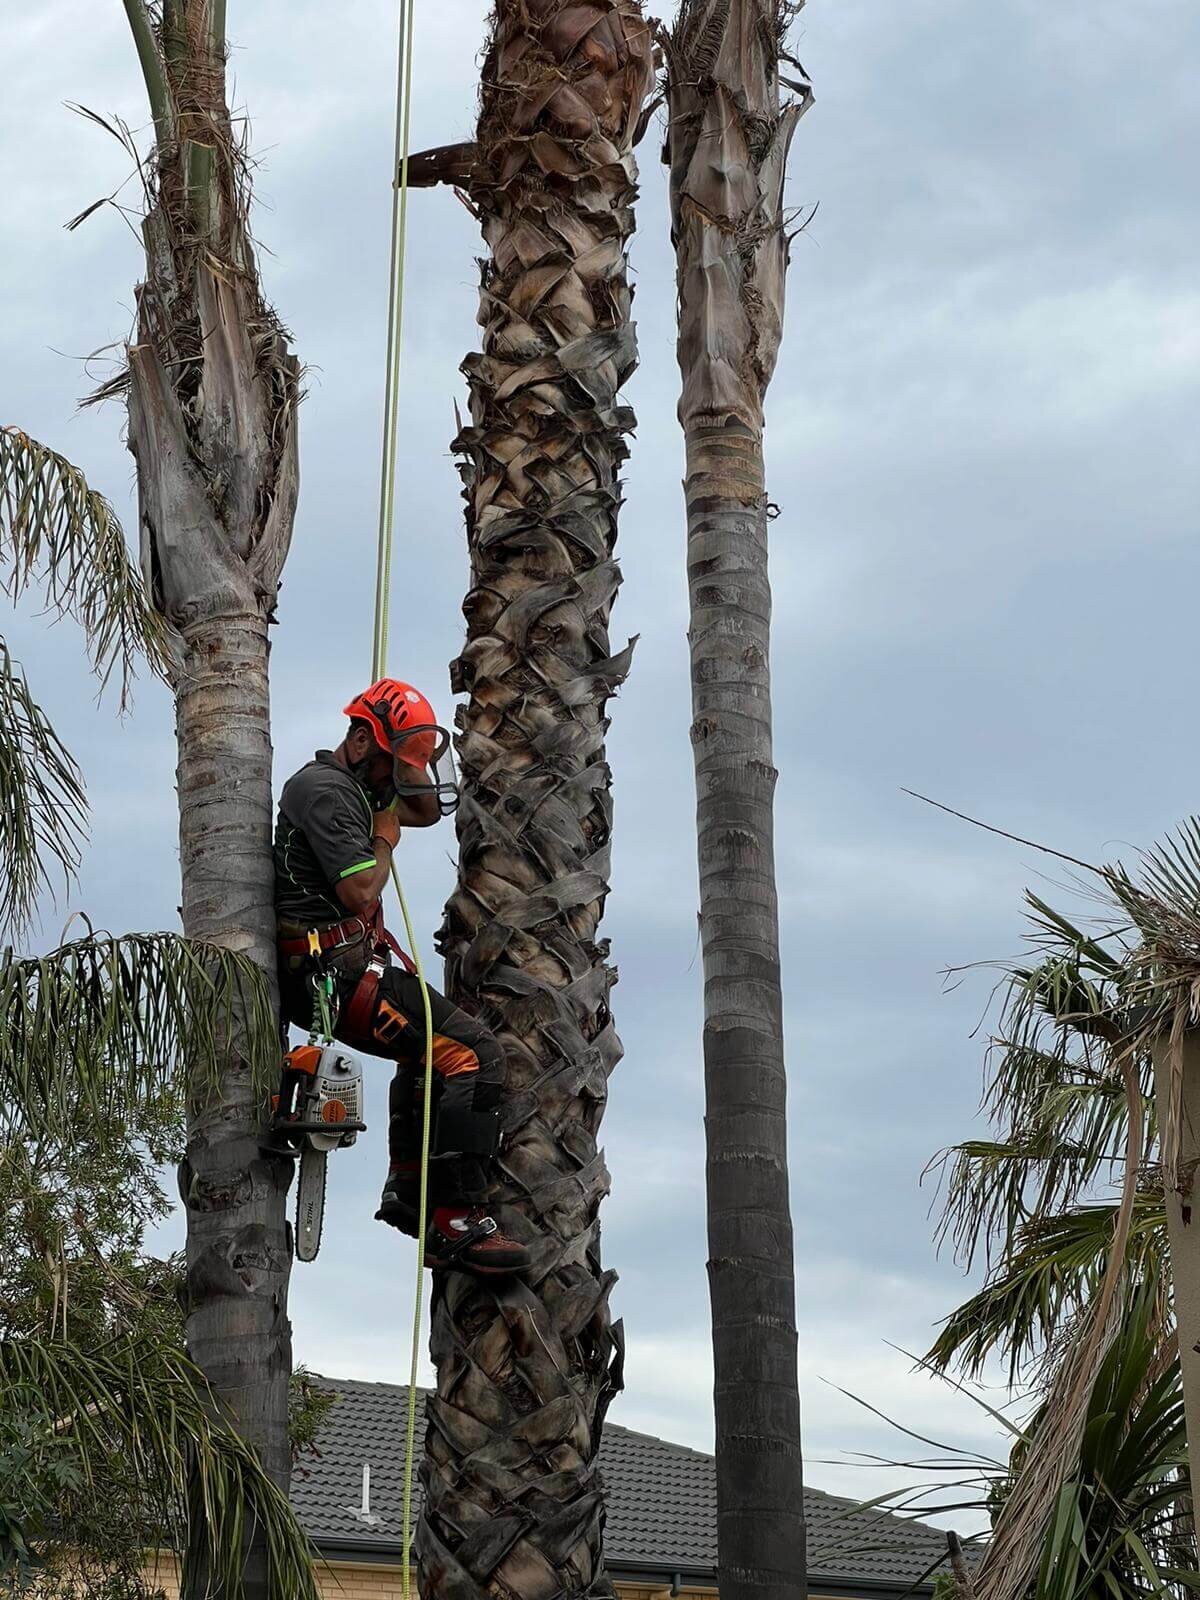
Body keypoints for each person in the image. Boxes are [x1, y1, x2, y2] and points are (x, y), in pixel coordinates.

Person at [272, 678, 531, 1275]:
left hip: (338, 970)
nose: (400, 779)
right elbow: (361, 890)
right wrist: (384, 840)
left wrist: (401, 772)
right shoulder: (324, 791)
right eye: (394, 764)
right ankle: (458, 1219)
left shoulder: (359, 787)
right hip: (332, 977)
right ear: (361, 742)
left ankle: (408, 1187)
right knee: (474, 1052)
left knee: (429, 1054)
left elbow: (419, 806)